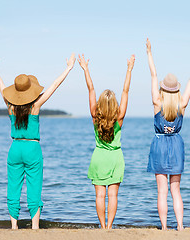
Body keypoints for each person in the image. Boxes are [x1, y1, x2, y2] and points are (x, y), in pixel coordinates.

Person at [0, 53, 76, 229]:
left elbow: (0, 84)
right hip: (32, 148)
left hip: (15, 148)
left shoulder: (10, 105)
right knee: (34, 186)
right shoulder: (35, 106)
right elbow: (54, 86)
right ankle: (35, 227)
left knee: (13, 187)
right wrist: (69, 68)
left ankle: (13, 226)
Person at [146, 38, 190, 231]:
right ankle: (180, 226)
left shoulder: (156, 102)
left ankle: (164, 228)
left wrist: (149, 52)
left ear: (163, 88)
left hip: (160, 145)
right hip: (176, 145)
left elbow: (153, 74)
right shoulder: (182, 104)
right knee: (176, 191)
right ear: (176, 89)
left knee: (162, 192)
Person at [78, 54, 135, 229]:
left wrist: (85, 69)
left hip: (99, 157)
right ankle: (110, 226)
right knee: (113, 195)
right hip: (115, 157)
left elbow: (91, 89)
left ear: (100, 104)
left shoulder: (96, 116)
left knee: (99, 196)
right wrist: (129, 69)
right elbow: (125, 91)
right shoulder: (119, 117)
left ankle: (102, 226)